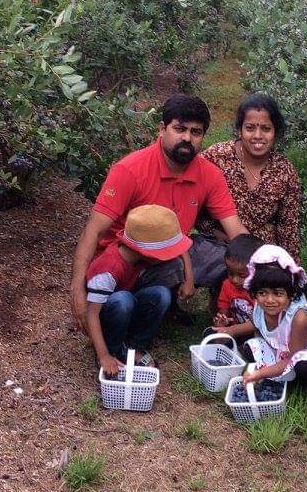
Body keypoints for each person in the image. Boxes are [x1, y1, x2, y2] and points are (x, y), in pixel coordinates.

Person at [71, 94, 248, 333]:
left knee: (226, 257)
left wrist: (270, 267)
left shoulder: (209, 175)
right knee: (121, 307)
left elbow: (235, 230)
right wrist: (77, 291)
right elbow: (93, 231)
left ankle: (230, 315)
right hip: (124, 261)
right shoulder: (130, 170)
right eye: (180, 129)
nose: (187, 138)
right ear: (163, 129)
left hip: (170, 255)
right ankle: (132, 305)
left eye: (196, 132)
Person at [213, 244, 307, 402]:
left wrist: (260, 373)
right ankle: (291, 381)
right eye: (262, 293)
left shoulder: (299, 317)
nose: (269, 300)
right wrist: (229, 331)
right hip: (283, 354)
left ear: (291, 294)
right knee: (250, 346)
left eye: (278, 293)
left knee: (303, 365)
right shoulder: (260, 309)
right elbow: (256, 326)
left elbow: (294, 358)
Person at [85, 205, 189, 376]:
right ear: (146, 251)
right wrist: (103, 355)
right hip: (108, 315)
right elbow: (92, 314)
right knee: (122, 300)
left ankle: (134, 346)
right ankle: (113, 350)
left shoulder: (137, 257)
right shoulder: (108, 269)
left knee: (162, 295)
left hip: (127, 306)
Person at [198, 93, 303, 260]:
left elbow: (288, 229)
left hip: (264, 254)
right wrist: (211, 230)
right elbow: (190, 197)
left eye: (266, 129)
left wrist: (290, 270)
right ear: (240, 129)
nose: (258, 136)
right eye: (250, 128)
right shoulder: (216, 156)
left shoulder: (284, 171)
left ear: (275, 131)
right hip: (220, 248)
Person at [209, 233, 263, 330]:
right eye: (230, 273)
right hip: (234, 329)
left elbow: (262, 322)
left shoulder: (262, 291)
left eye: (242, 276)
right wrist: (222, 320)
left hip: (259, 332)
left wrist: (233, 331)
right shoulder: (227, 285)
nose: (234, 280)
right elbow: (223, 308)